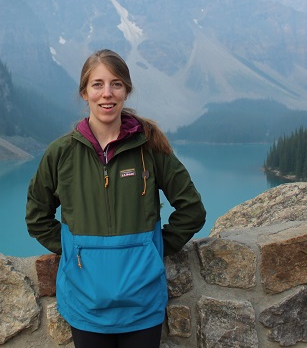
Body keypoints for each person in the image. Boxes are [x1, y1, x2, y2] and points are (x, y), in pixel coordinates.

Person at [25, 49, 206, 348]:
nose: (106, 94)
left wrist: (153, 247)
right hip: (85, 303)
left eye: (116, 84)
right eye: (97, 84)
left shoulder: (151, 149)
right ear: (84, 92)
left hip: (142, 304)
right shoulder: (61, 153)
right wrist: (73, 249)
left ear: (127, 91)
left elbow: (192, 210)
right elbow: (36, 217)